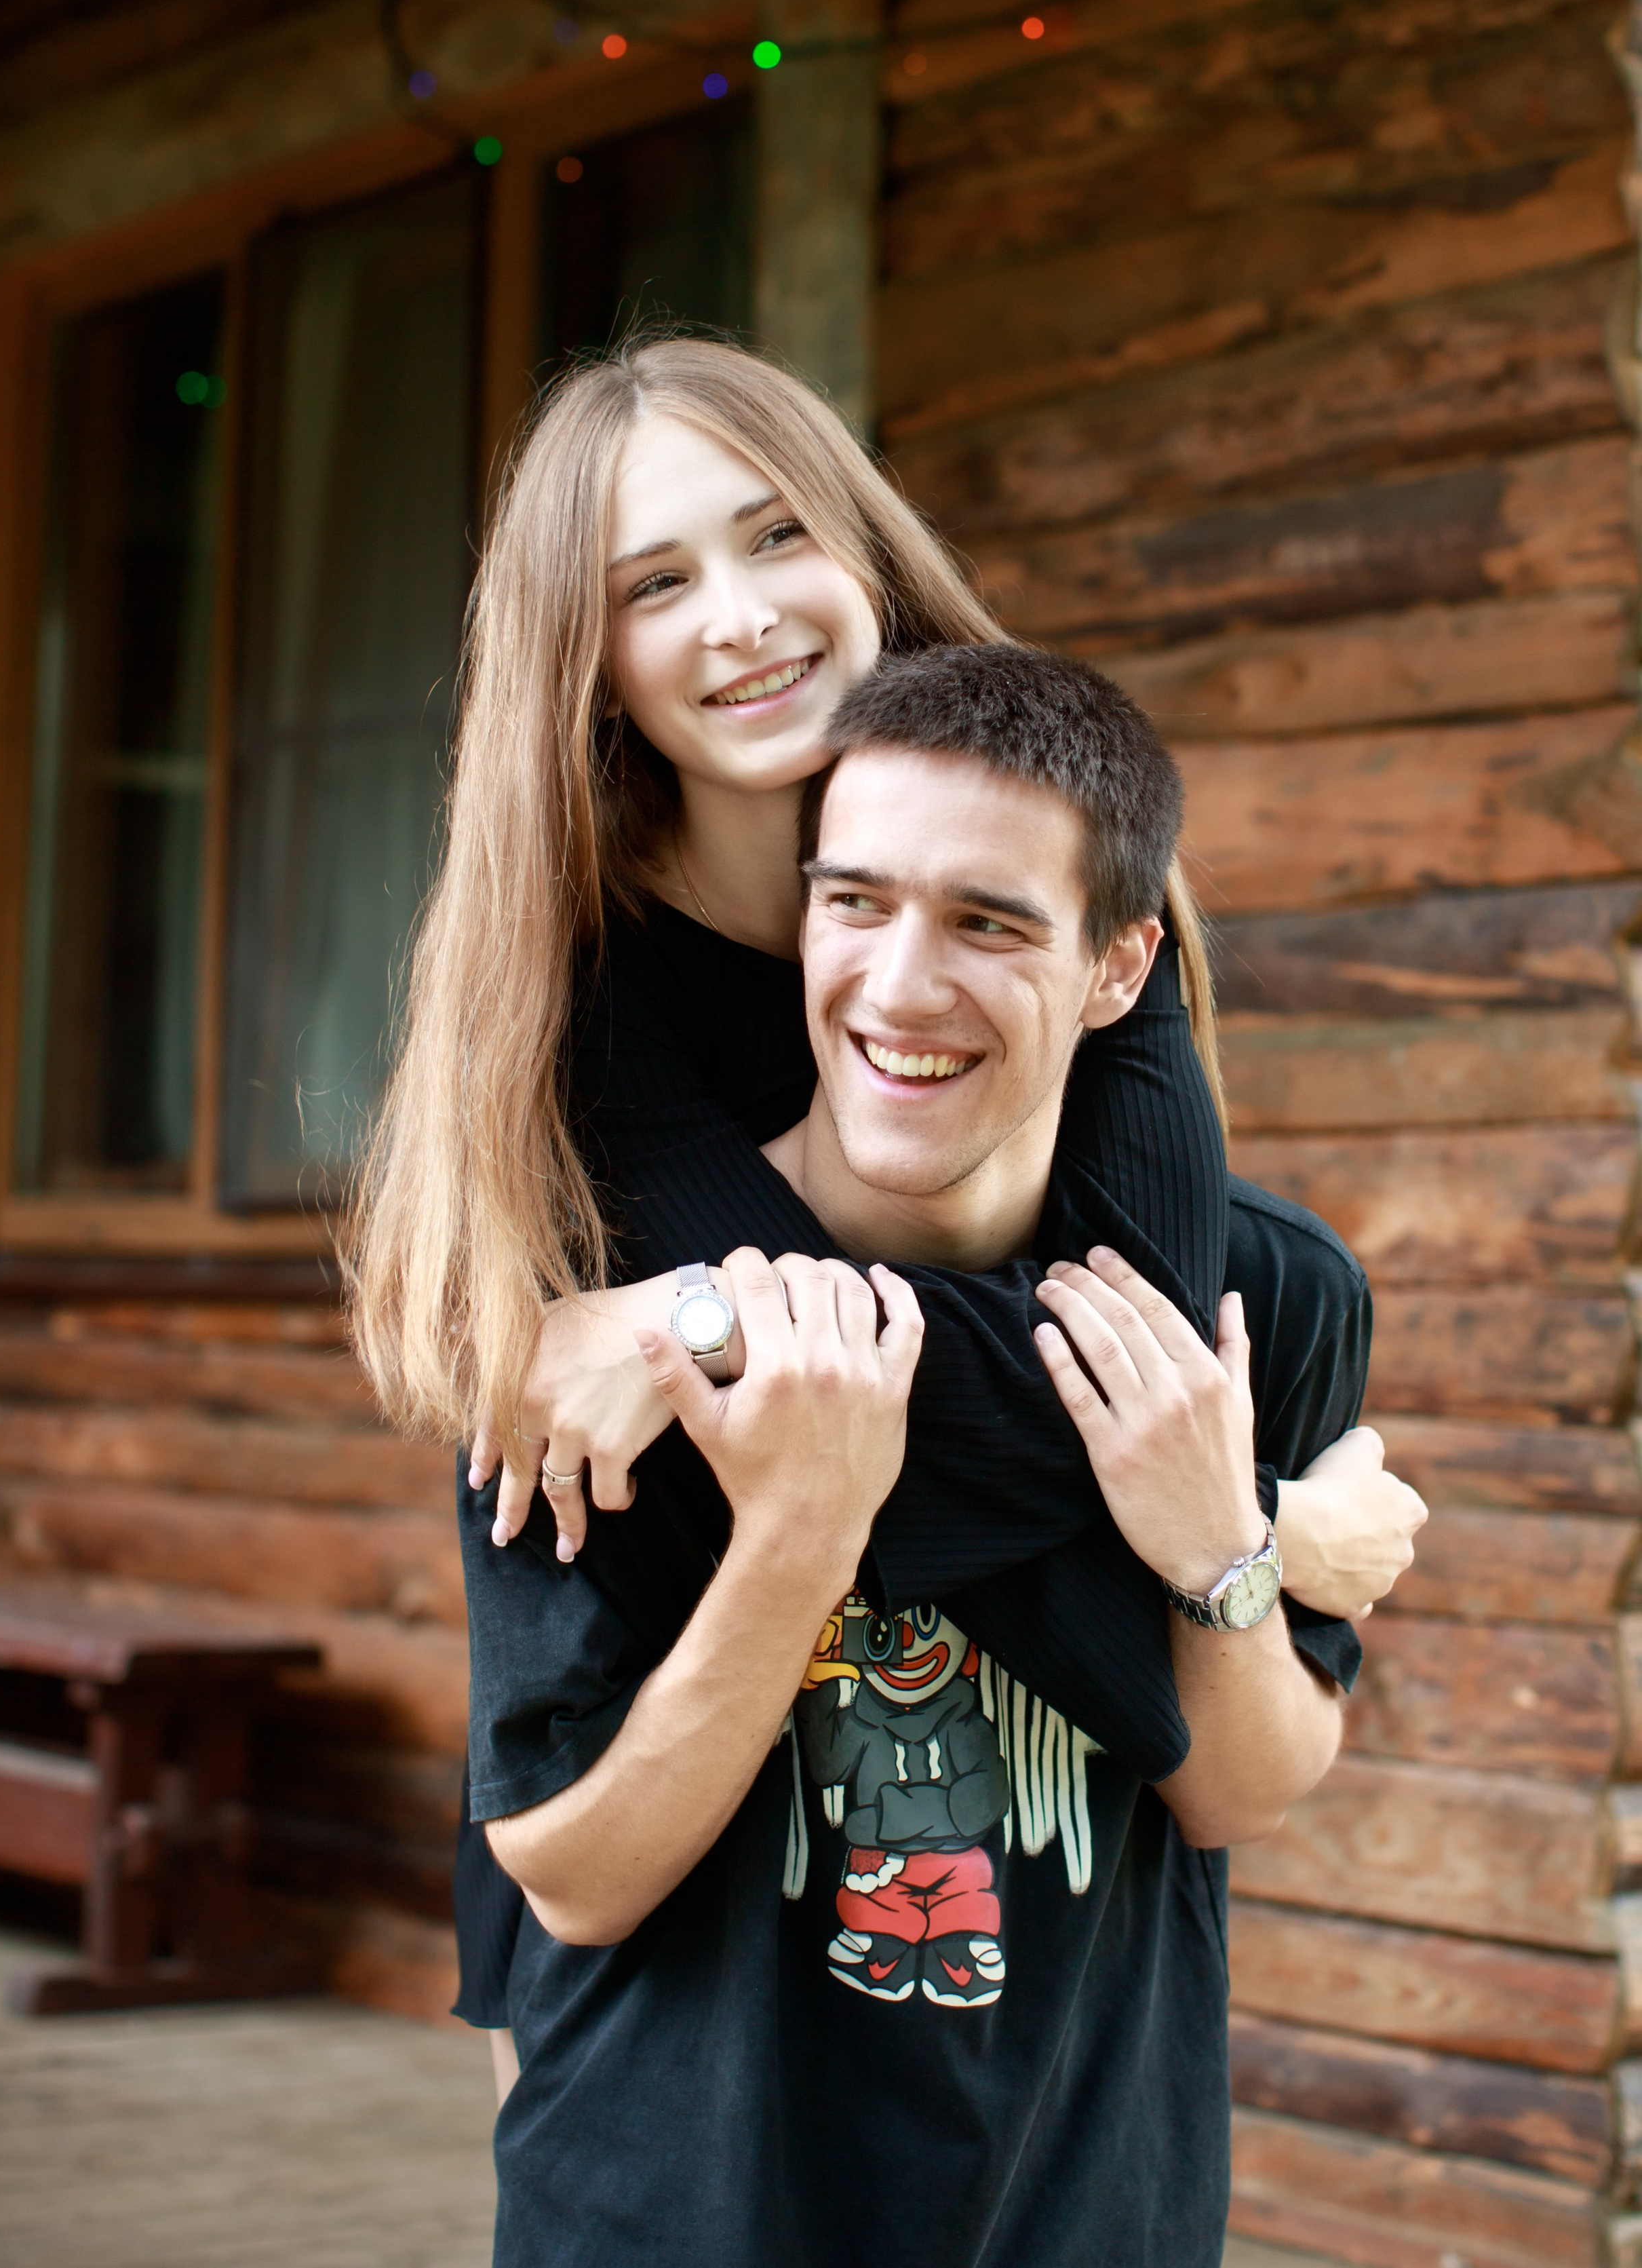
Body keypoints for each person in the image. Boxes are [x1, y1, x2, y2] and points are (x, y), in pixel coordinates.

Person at [345, 337, 1423, 2092]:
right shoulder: (583, 1013)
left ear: (866, 553)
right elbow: (920, 1425)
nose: (745, 614)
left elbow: (1110, 1343)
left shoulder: (1047, 867)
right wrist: (1233, 1532)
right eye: (657, 583)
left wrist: (691, 1321)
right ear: (594, 660)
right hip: (659, 1942)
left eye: (779, 537)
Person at [464, 645, 1349, 2266]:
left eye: (989, 923)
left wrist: (1222, 1547)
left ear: (1114, 965)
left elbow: (1238, 1788)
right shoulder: (608, 1333)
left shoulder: (1261, 1301)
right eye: (852, 902)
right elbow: (572, 1874)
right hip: (676, 2216)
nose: (897, 983)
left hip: (1092, 2210)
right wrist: (797, 1534)